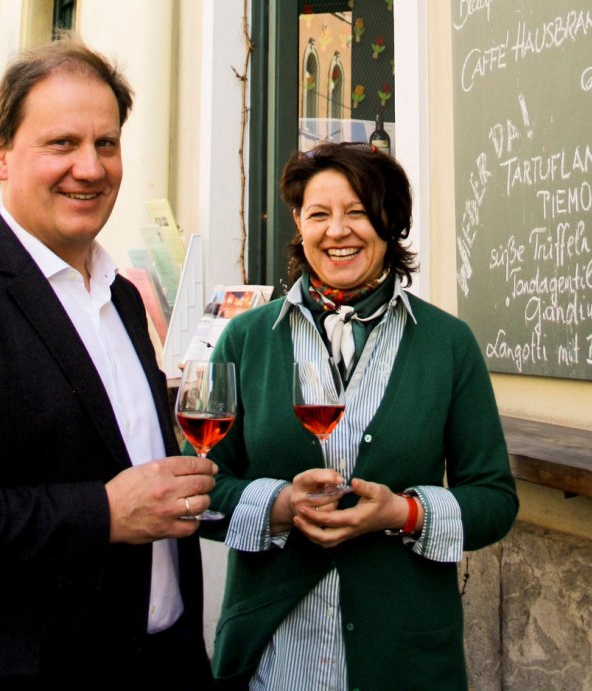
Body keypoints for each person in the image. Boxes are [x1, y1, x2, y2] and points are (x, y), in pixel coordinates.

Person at [0, 35, 215, 689]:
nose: (90, 167)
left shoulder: (122, 297)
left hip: (162, 665)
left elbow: (140, 471)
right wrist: (101, 514)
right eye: (63, 143)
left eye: (105, 144)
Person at [201, 142, 519, 690]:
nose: (337, 231)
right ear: (299, 224)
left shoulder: (448, 344)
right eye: (319, 214)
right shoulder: (246, 339)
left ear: (391, 221)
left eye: (358, 212)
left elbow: (494, 501)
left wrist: (402, 513)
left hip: (405, 659)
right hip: (273, 660)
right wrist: (278, 505)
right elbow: (200, 487)